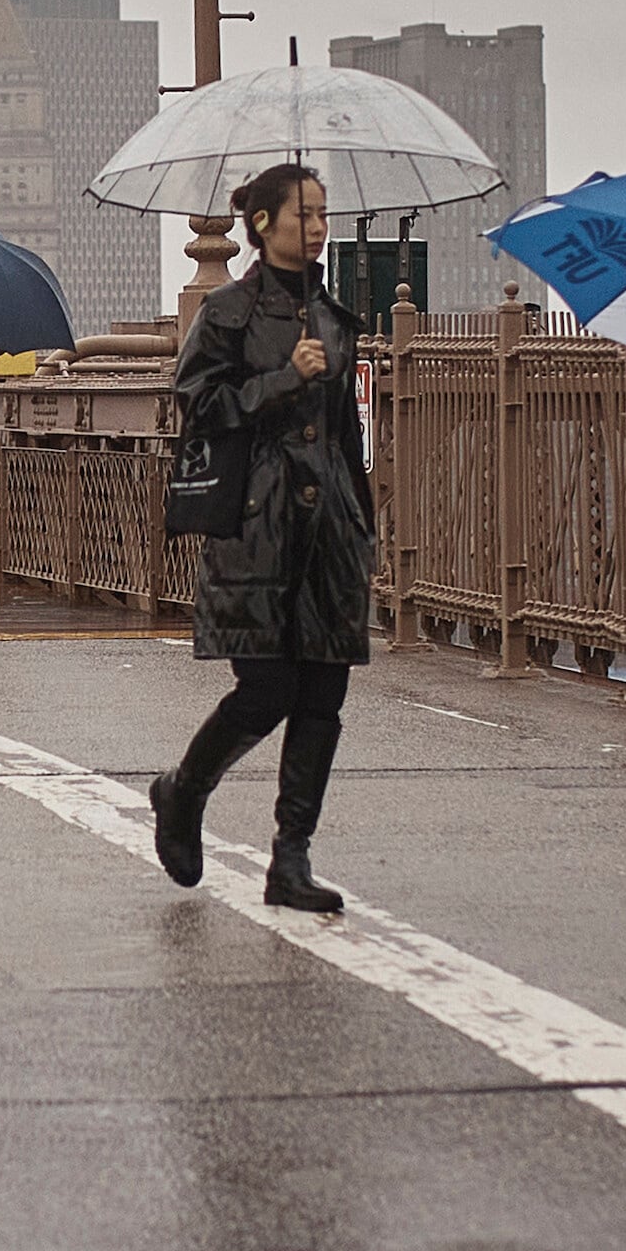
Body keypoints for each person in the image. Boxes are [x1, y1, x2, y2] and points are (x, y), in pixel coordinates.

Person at [147, 165, 374, 916]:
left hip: (329, 535)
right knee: (267, 689)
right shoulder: (228, 313)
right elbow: (198, 403)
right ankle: (185, 791)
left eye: (323, 213)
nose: (316, 226)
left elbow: (346, 439)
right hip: (258, 528)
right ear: (263, 223)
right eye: (303, 213)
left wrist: (362, 526)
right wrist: (281, 379)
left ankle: (292, 858)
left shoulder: (335, 319)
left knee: (323, 696)